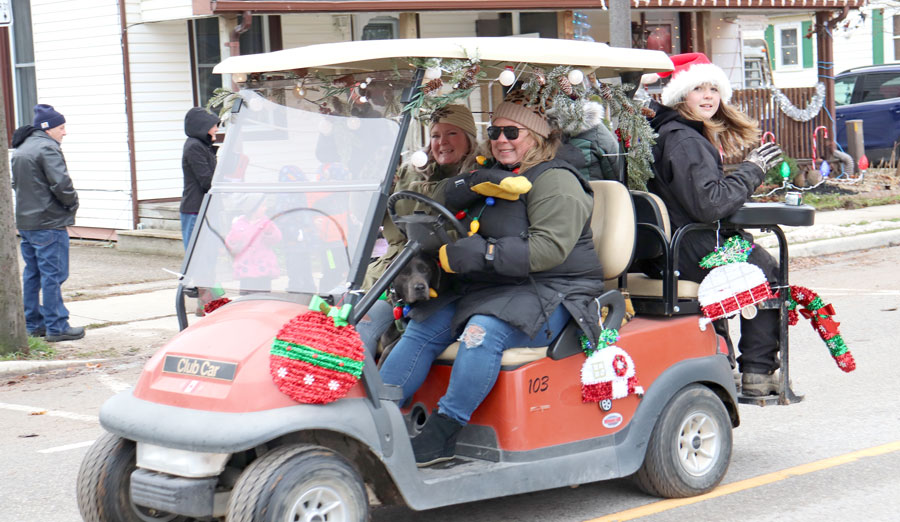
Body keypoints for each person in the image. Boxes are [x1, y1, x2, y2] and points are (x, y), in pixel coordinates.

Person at [379, 92, 606, 466]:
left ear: (538, 136)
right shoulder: (496, 174)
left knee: (481, 332)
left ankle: (443, 432)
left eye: (512, 132)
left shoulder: (557, 179)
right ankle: (378, 420)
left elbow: (549, 249)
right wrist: (468, 185)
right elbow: (439, 201)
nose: (501, 139)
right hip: (493, 285)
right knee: (423, 324)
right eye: (495, 131)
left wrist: (483, 254)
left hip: (554, 290)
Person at [643, 53, 784, 396]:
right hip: (693, 244)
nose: (708, 96)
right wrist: (752, 171)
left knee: (751, 260)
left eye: (713, 89)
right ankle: (757, 371)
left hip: (673, 243)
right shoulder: (686, 139)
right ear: (680, 95)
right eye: (698, 89)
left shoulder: (673, 132)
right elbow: (710, 204)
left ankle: (724, 362)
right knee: (765, 269)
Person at [356, 105, 479, 354]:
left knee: (396, 338)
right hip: (394, 274)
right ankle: (348, 378)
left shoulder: (479, 178)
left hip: (444, 277)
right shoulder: (408, 173)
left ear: (469, 138)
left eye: (452, 133)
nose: (442, 142)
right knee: (354, 323)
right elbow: (364, 217)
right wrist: (380, 187)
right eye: (435, 135)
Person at [10, 104, 85, 342]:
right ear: (48, 128)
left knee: (32, 274)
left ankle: (33, 324)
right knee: (54, 275)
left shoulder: (21, 147)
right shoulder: (47, 148)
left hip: (27, 223)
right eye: (61, 127)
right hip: (49, 223)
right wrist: (72, 204)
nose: (65, 132)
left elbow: (16, 185)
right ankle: (57, 326)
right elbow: (61, 184)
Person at [180, 107, 219, 250]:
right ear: (202, 126)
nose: (216, 129)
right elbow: (207, 181)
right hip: (195, 209)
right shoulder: (194, 147)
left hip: (205, 207)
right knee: (195, 253)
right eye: (213, 125)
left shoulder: (203, 146)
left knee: (209, 254)